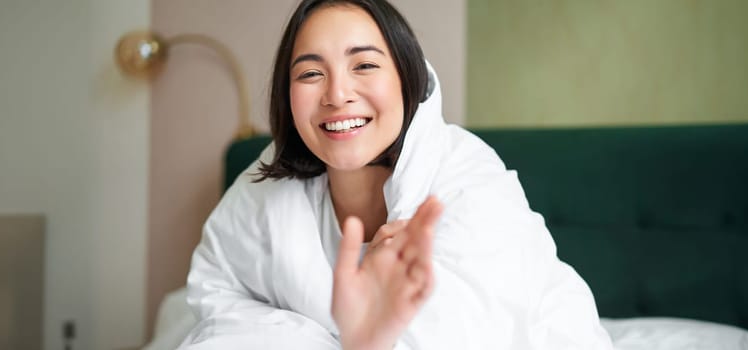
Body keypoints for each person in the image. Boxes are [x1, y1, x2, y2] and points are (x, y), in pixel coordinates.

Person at [180, 0, 613, 348]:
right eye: (311, 74)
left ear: (407, 79)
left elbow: (472, 332)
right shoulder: (264, 185)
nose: (337, 94)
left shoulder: (470, 183)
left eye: (364, 65)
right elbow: (215, 291)